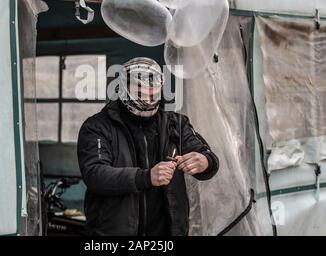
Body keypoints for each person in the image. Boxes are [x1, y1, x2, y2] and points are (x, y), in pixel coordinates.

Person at [77, 57, 219, 236]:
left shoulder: (175, 123)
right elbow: (94, 174)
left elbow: (208, 156)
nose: (147, 95)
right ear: (123, 86)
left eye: (153, 89)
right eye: (140, 88)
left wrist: (204, 161)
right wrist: (145, 177)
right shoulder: (97, 126)